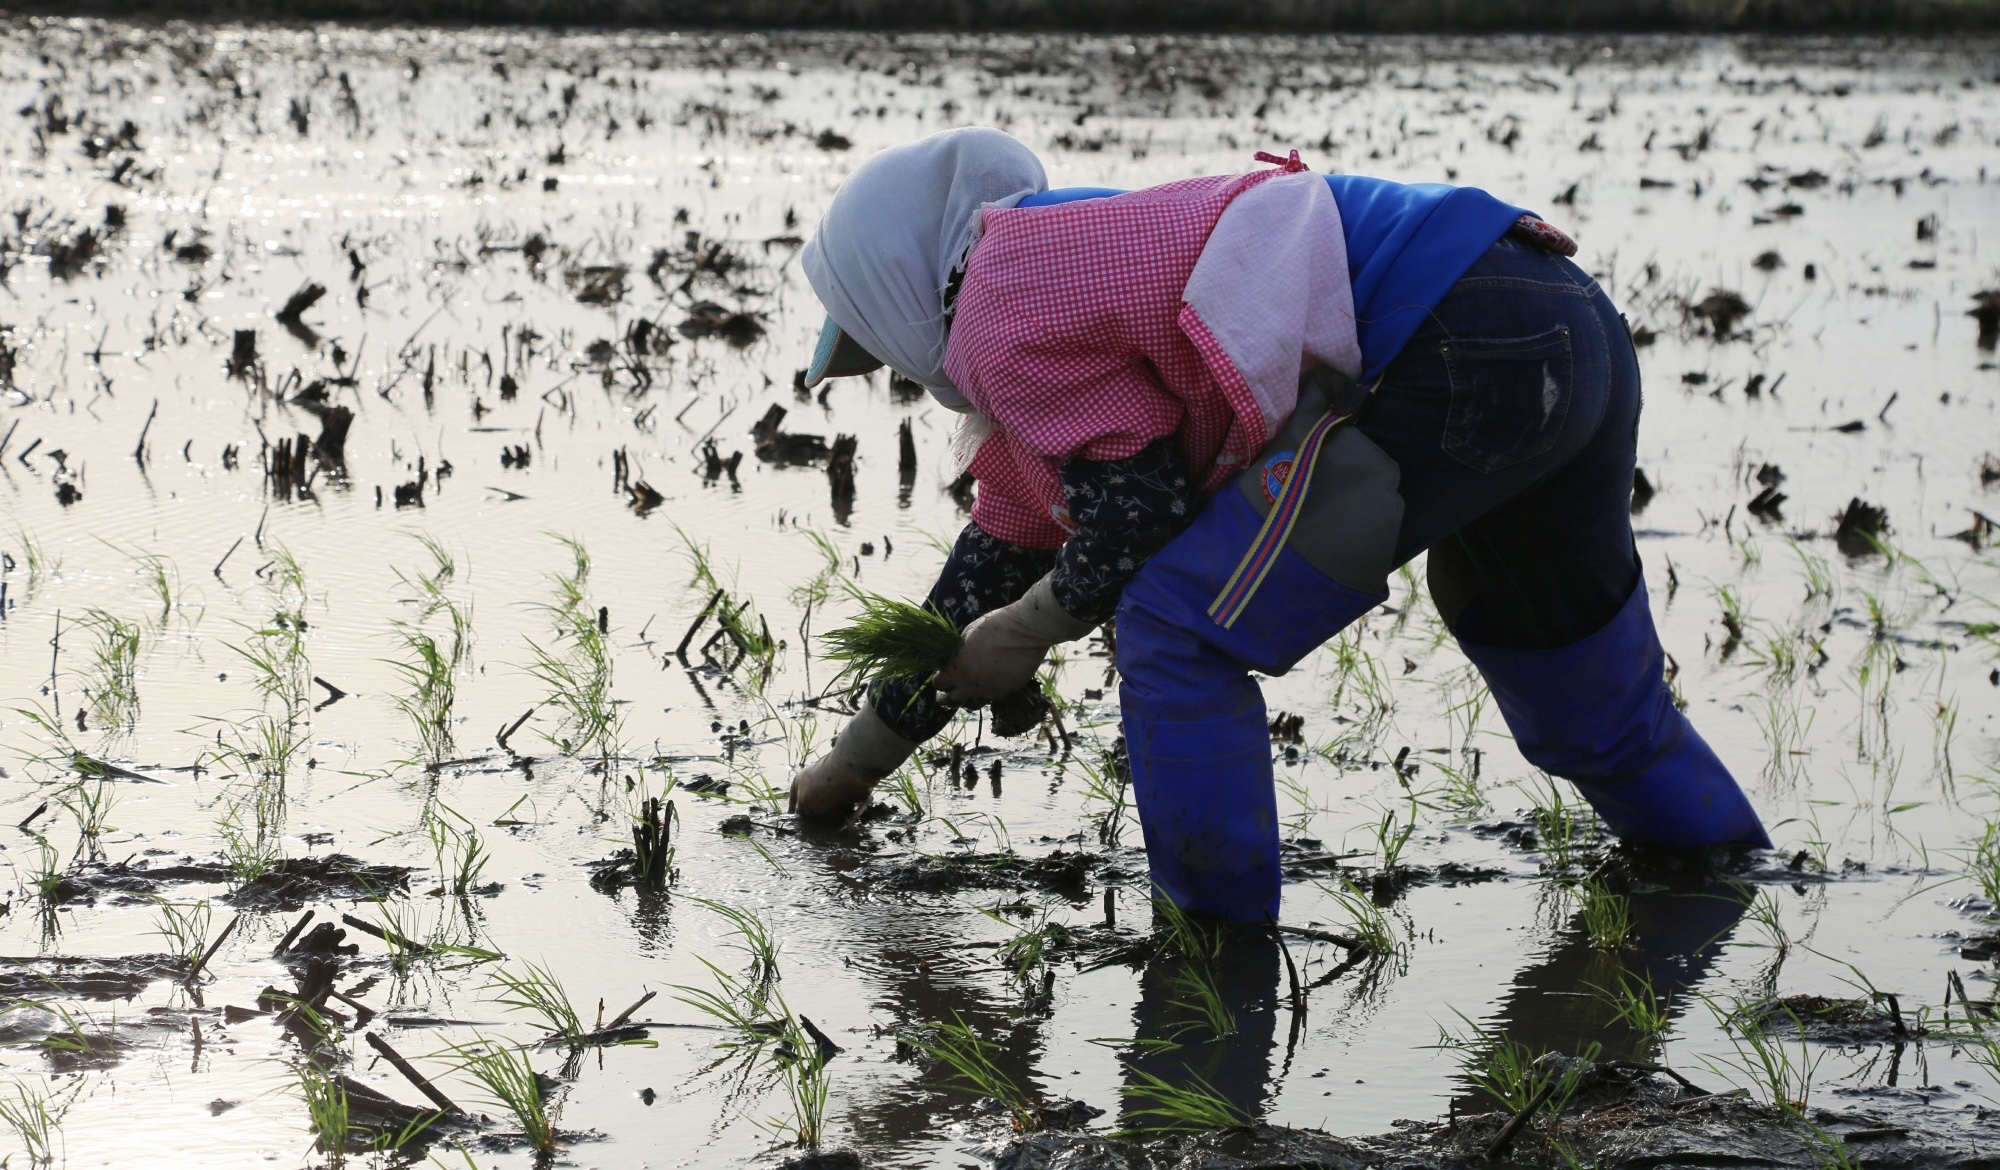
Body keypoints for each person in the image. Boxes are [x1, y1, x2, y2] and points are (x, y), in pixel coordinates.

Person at [788, 126, 1770, 922]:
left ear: (905, 285)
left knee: (1175, 630)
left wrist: (1018, 635)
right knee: (1568, 673)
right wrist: (850, 766)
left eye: (887, 355)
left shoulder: (1001, 313)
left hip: (1446, 341)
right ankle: (1717, 880)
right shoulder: (1067, 268)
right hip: (1560, 316)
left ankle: (1213, 959)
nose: (912, 381)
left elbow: (1135, 520)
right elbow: (969, 589)